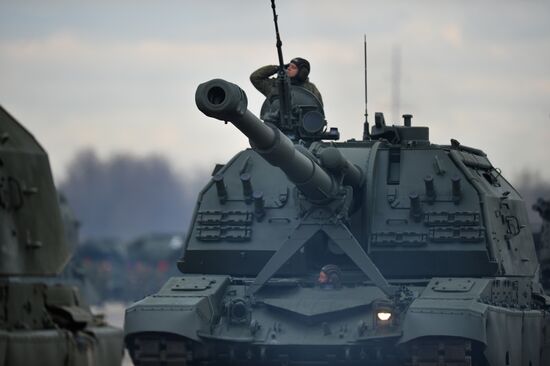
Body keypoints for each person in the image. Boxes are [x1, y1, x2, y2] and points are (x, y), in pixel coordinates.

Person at [250, 57, 323, 105]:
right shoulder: (277, 85)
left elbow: (318, 111)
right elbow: (255, 77)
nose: (288, 68)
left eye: (293, 67)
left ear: (302, 73)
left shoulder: (311, 89)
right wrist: (277, 68)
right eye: (288, 66)